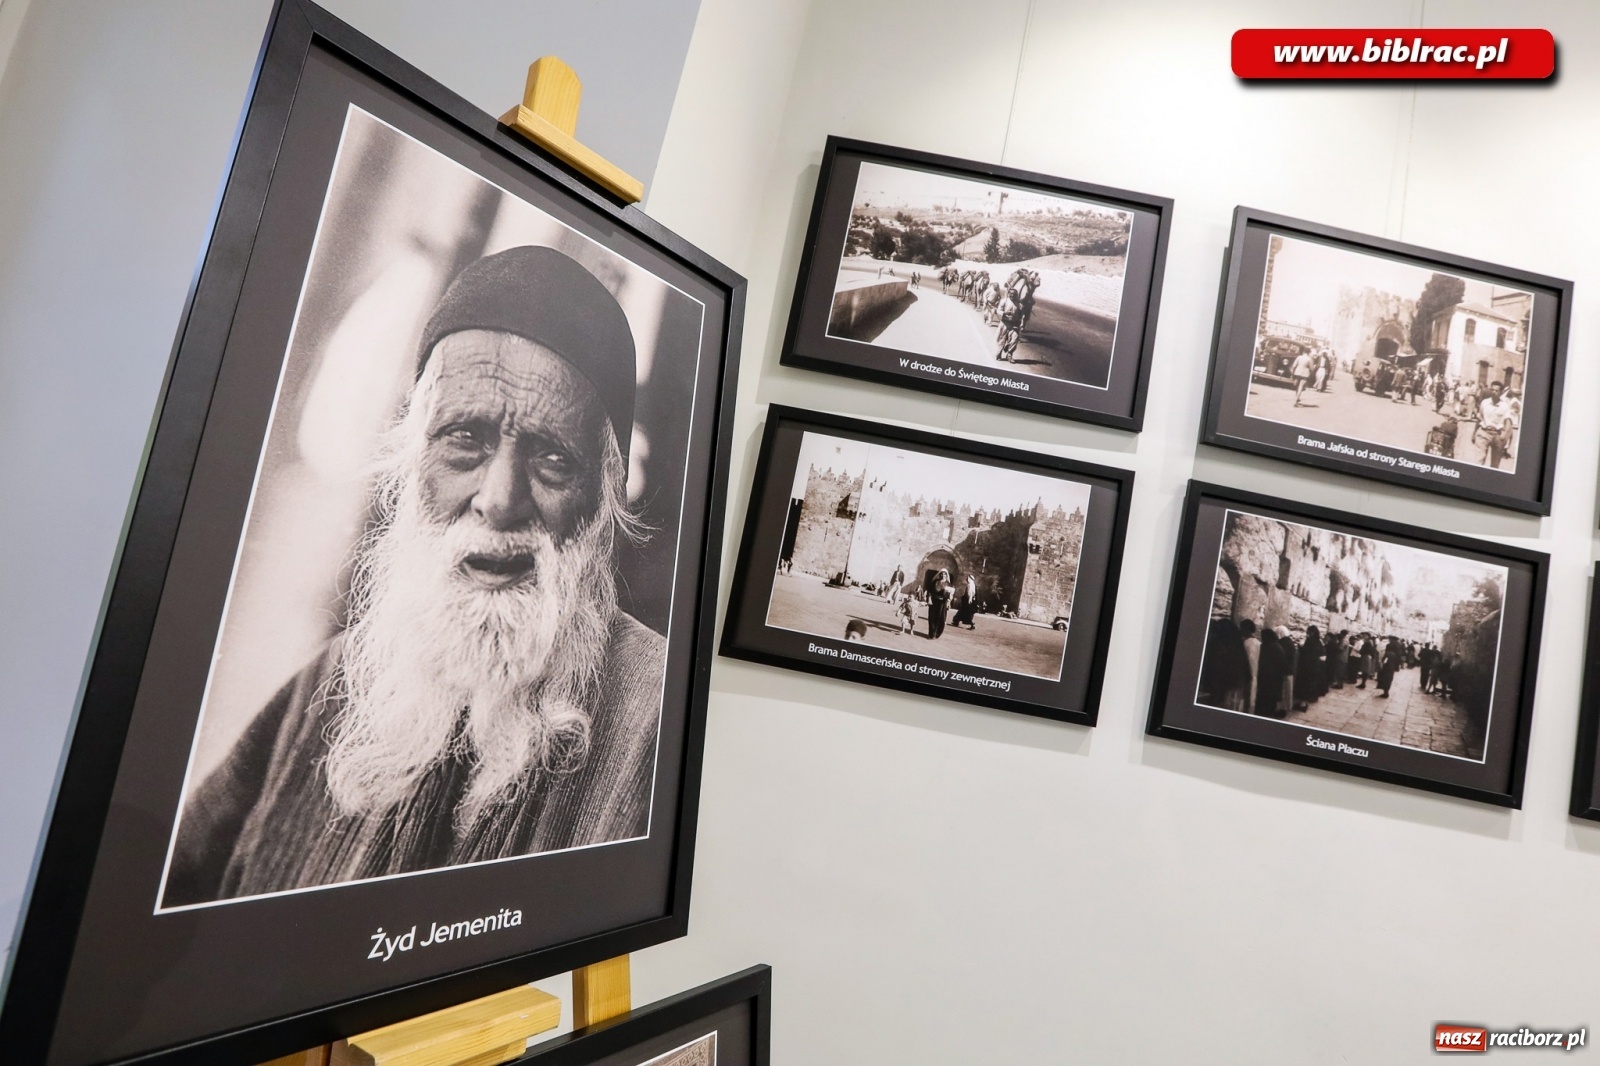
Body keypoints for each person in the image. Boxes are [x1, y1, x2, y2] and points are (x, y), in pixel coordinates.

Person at [166, 246, 664, 906]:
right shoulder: (331, 683)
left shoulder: (655, 718)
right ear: (411, 456)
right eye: (465, 438)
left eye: (550, 458)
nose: (499, 498)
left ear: (603, 499)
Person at [1200, 617, 1251, 711]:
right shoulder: (1237, 646)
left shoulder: (1218, 646)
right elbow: (1246, 671)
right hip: (1234, 687)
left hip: (1221, 689)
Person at [1477, 382, 1519, 469]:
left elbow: (1508, 422)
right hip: (1484, 433)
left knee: (1495, 463)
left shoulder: (1505, 406)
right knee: (1481, 457)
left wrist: (1504, 435)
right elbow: (1479, 417)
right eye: (1492, 390)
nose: (1493, 392)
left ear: (1501, 392)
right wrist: (1475, 432)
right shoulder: (1484, 403)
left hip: (1497, 435)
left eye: (1496, 390)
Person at [1255, 629, 1286, 719]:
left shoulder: (1266, 647)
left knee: (1264, 697)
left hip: (1266, 676)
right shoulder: (1278, 647)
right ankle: (1270, 712)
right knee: (1271, 697)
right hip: (1276, 677)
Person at [1240, 620, 1262, 712]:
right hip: (1256, 674)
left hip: (1247, 675)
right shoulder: (1259, 643)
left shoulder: (1247, 643)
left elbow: (1248, 661)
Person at [927, 569, 953, 640]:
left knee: (940, 618)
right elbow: (930, 591)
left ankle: (937, 633)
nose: (942, 575)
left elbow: (949, 595)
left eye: (944, 574)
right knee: (932, 617)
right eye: (941, 574)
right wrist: (929, 599)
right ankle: (931, 634)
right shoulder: (935, 582)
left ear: (946, 575)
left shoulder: (948, 584)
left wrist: (948, 602)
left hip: (942, 603)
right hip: (934, 601)